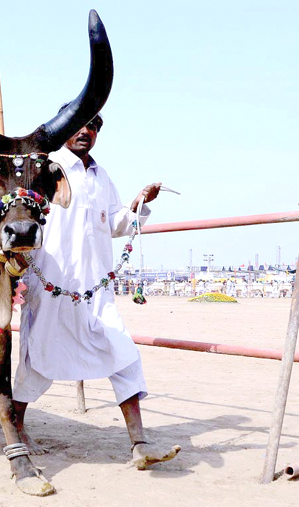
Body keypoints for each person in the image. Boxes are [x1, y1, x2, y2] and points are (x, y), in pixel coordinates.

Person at [14, 110, 180, 469]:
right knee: (37, 359)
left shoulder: (100, 176)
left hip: (97, 290)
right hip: (51, 285)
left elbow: (118, 223)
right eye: (78, 126)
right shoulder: (44, 170)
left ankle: (140, 443)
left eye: (93, 126)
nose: (86, 132)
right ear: (63, 131)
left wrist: (140, 203)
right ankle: (15, 428)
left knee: (124, 354)